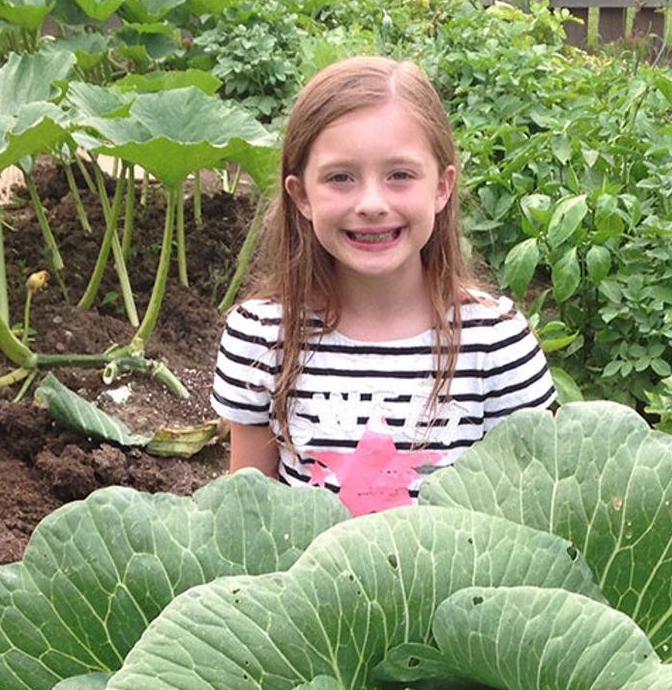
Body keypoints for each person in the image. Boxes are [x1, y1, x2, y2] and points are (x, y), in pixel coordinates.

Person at [210, 56, 556, 516]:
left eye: (400, 175)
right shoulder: (260, 335)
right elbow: (248, 520)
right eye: (340, 178)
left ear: (442, 188)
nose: (372, 203)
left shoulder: (495, 343)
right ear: (301, 196)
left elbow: (532, 518)